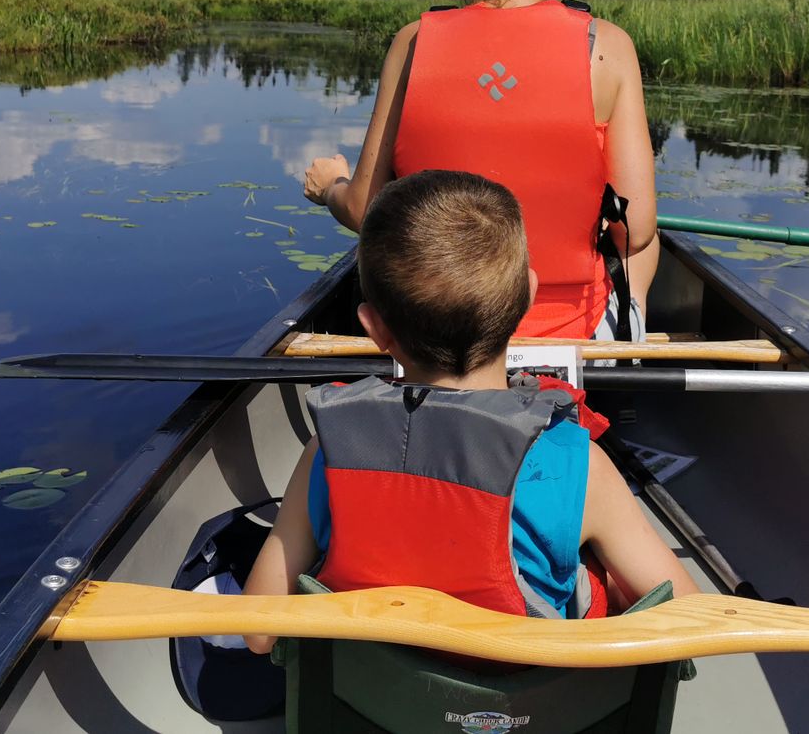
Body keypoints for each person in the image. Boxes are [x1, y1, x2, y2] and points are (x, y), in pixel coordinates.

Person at [243, 170, 697, 654]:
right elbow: (686, 622)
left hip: (372, 707)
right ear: (527, 297)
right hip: (530, 708)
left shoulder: (328, 453)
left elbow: (257, 633)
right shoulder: (579, 466)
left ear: (375, 329)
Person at [302, 0, 659, 340]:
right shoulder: (607, 47)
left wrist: (330, 187)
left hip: (438, 337)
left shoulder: (413, 43)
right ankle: (632, 323)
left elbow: (365, 209)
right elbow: (634, 232)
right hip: (566, 338)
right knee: (648, 248)